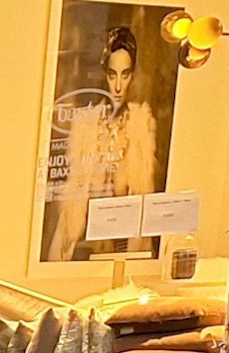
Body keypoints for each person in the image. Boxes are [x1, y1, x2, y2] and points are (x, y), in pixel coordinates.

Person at [47, 25, 161, 262]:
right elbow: (75, 190)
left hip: (122, 236)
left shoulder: (140, 124)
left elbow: (142, 190)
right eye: (112, 75)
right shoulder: (86, 123)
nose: (118, 86)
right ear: (104, 75)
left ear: (132, 75)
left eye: (125, 74)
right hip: (85, 235)